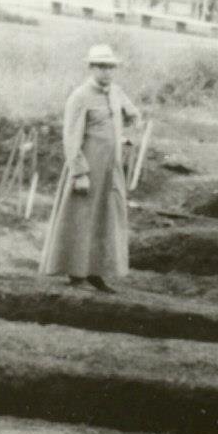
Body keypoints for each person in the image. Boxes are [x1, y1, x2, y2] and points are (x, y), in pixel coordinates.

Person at [40, 44, 141, 292]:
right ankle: (76, 274)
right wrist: (80, 173)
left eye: (111, 67)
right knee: (82, 218)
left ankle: (96, 272)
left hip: (111, 169)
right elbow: (72, 138)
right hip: (89, 169)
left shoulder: (116, 92)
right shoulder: (79, 97)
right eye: (102, 67)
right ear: (91, 67)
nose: (107, 72)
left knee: (106, 217)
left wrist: (129, 125)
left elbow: (131, 114)